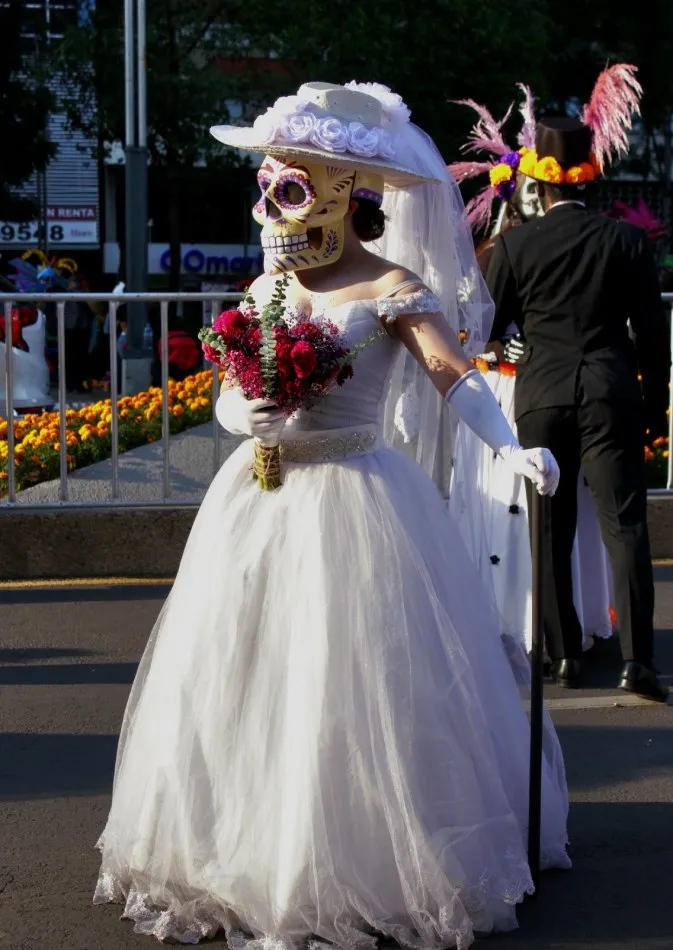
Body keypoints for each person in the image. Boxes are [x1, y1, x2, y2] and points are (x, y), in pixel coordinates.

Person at [95, 81, 570, 948]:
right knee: (246, 674)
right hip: (261, 497)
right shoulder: (263, 286)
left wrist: (506, 446)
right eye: (267, 187)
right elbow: (231, 393)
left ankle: (362, 853)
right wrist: (249, 416)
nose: (274, 208)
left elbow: (451, 375)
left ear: (345, 197)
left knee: (353, 684)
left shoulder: (392, 285)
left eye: (292, 189)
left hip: (356, 499)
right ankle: (239, 848)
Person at [485, 65, 670, 701]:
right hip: (612, 392)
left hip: (542, 395)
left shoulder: (516, 247)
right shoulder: (627, 241)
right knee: (626, 530)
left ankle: (564, 655)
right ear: (591, 176)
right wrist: (657, 408)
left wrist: (517, 340)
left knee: (550, 528)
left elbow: (489, 326)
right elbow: (652, 335)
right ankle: (638, 661)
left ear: (537, 180)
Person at [448, 85, 613, 654]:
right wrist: (496, 352)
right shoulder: (498, 251)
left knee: (554, 516)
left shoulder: (528, 247)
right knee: (527, 518)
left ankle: (567, 633)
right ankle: (538, 630)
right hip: (510, 395)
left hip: (539, 393)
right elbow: (474, 333)